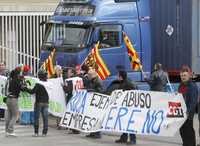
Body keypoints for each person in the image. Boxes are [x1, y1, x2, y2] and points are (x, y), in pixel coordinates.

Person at [108, 70, 137, 145]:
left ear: (120, 76)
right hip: (124, 106)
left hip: (130, 106)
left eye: (118, 75)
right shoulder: (124, 82)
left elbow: (135, 93)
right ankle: (124, 137)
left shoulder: (128, 83)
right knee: (124, 122)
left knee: (130, 123)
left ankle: (133, 139)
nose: (117, 76)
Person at [24, 69, 49, 137]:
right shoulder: (49, 84)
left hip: (38, 102)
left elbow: (32, 91)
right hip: (46, 102)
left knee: (36, 118)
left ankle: (36, 133)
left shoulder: (38, 84)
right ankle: (44, 133)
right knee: (45, 118)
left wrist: (25, 88)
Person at [178, 65, 198, 146]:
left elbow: (193, 102)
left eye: (185, 75)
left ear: (189, 75)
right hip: (181, 113)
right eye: (182, 75)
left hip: (188, 114)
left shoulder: (192, 86)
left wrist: (188, 112)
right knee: (182, 131)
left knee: (188, 132)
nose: (183, 77)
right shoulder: (181, 85)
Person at [5, 68, 26, 136]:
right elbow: (23, 89)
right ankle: (10, 130)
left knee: (9, 115)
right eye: (20, 73)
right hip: (14, 99)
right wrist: (23, 82)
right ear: (18, 74)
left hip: (8, 98)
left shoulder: (10, 80)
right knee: (15, 115)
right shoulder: (17, 81)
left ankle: (7, 130)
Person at [86, 68, 103, 139]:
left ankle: (97, 133)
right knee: (92, 117)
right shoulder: (92, 81)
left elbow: (100, 91)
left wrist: (90, 90)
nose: (88, 76)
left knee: (96, 118)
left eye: (89, 75)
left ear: (92, 75)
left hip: (97, 102)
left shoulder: (98, 81)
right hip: (92, 102)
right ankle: (92, 132)